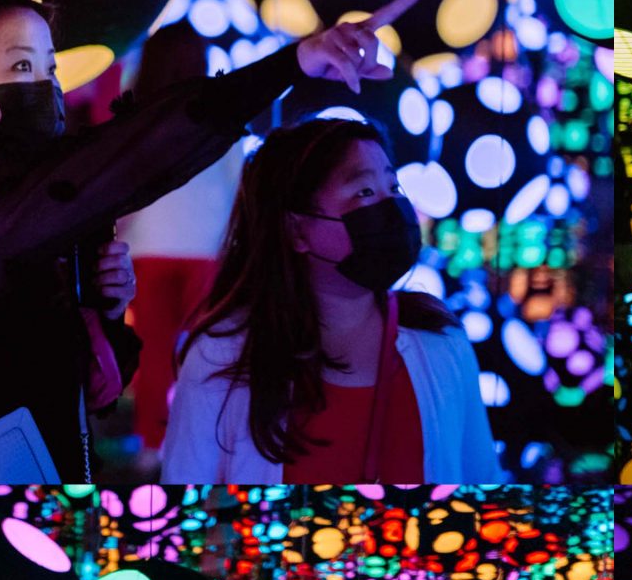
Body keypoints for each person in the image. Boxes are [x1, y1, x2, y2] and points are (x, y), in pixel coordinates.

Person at [0, 0, 405, 480]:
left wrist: (104, 309)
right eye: (21, 67)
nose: (44, 87)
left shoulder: (33, 208)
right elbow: (136, 156)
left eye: (49, 69)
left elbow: (89, 391)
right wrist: (292, 64)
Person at [161, 114, 504, 484]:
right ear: (296, 229)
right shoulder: (223, 356)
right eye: (364, 192)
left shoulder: (439, 339)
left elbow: (481, 483)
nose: (390, 208)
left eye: (393, 188)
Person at [113, 20, 248, 452]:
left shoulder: (136, 114)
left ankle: (153, 444)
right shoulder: (221, 110)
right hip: (208, 247)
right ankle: (208, 443)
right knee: (208, 352)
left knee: (152, 353)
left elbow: (121, 185)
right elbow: (236, 181)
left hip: (148, 247)